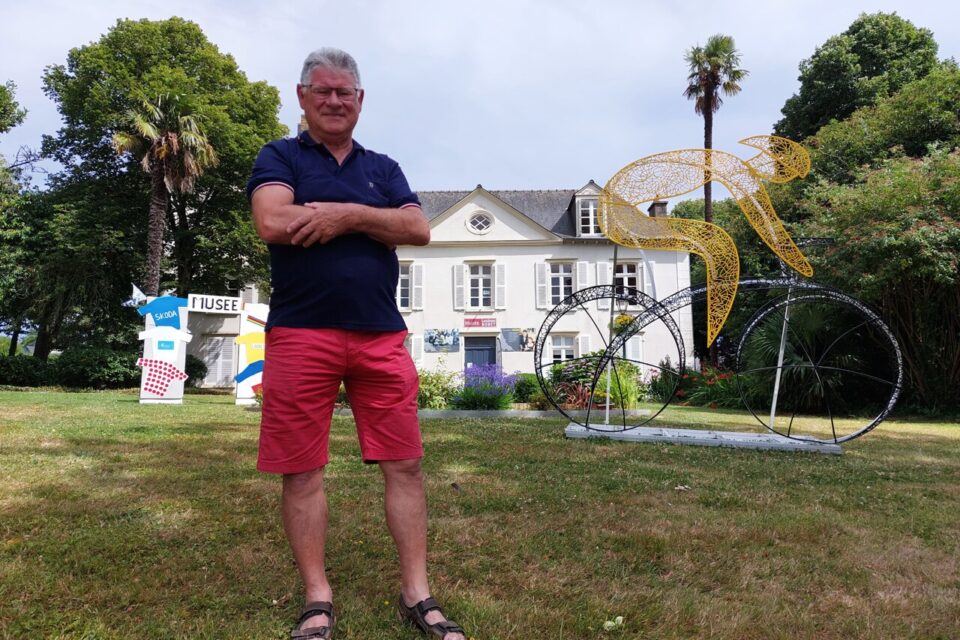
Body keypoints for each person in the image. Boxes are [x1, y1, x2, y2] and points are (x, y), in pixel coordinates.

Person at [247, 48, 466, 640]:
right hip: (300, 333)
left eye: (345, 92)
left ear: (360, 100)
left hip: (380, 335)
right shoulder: (279, 156)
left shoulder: (384, 168)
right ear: (302, 97)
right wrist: (377, 220)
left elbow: (417, 229)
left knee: (407, 465)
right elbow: (272, 221)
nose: (334, 101)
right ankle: (317, 598)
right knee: (301, 470)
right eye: (323, 91)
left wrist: (344, 214)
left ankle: (417, 593)